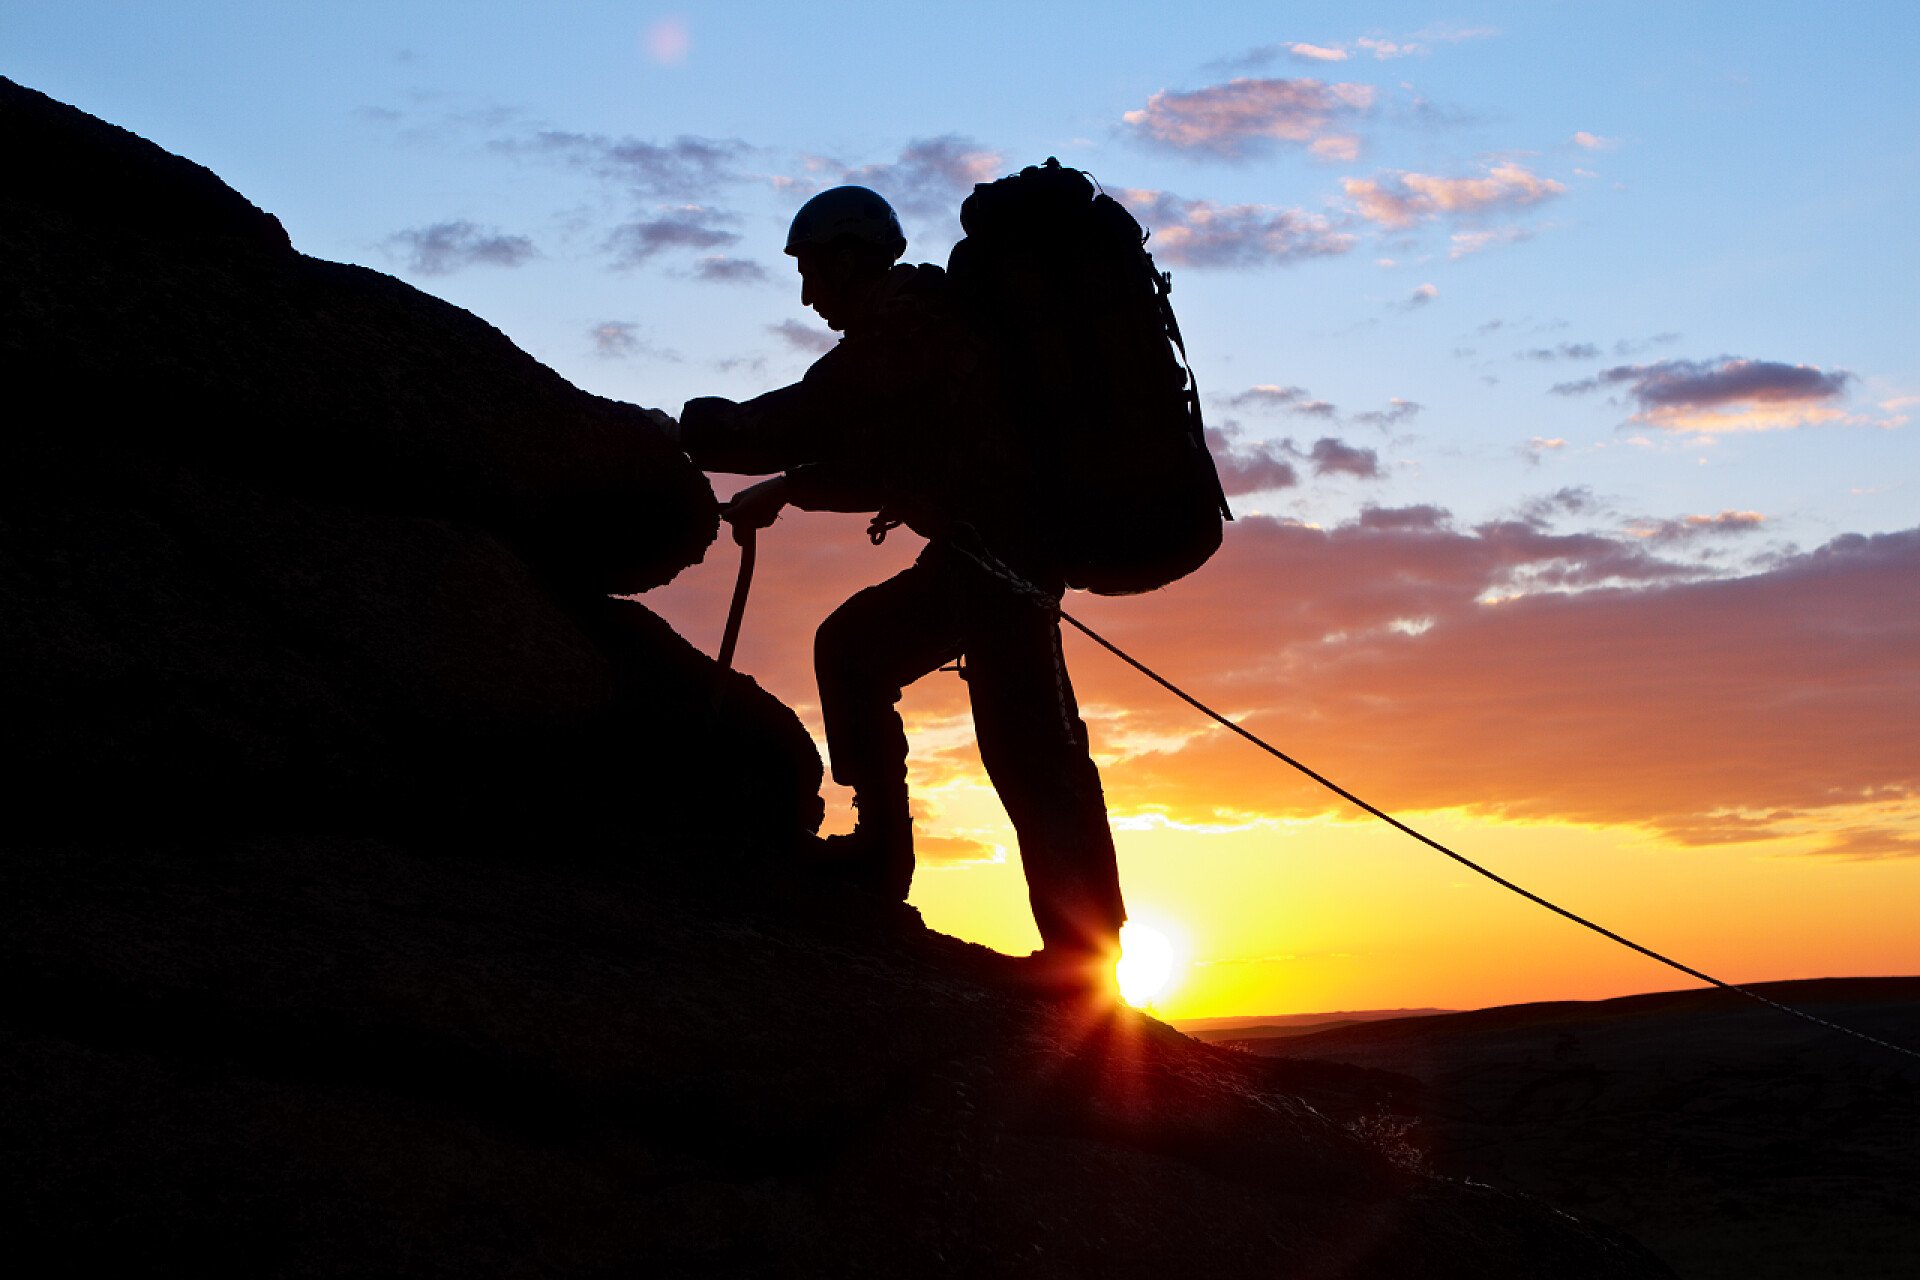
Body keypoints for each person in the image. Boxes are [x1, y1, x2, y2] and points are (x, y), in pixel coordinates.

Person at [679, 186, 1125, 993]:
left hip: (1004, 560)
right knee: (857, 651)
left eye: (815, 272)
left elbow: (815, 412)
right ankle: (882, 857)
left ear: (851, 259)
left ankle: (1082, 954)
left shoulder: (909, 322)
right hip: (980, 555)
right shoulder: (914, 326)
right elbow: (886, 457)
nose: (810, 294)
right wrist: (786, 491)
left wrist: (688, 432)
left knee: (1028, 742)